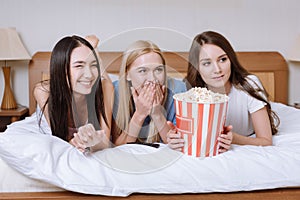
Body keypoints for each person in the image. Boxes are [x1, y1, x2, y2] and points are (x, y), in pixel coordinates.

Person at [183, 31, 280, 147]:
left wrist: (234, 138)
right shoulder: (190, 93)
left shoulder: (249, 84)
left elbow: (266, 140)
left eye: (222, 59)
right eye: (207, 63)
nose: (217, 69)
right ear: (197, 68)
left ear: (231, 60)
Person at [34, 35, 113, 153]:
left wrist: (92, 142)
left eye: (93, 65)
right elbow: (59, 140)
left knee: (106, 81)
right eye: (79, 65)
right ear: (62, 69)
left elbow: (105, 141)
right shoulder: (43, 91)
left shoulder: (106, 87)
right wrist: (76, 142)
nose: (89, 75)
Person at [112, 40, 187, 146]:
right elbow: (118, 147)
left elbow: (178, 144)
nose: (152, 79)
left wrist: (157, 114)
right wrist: (140, 114)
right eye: (142, 71)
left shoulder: (179, 91)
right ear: (127, 74)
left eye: (158, 70)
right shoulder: (115, 91)